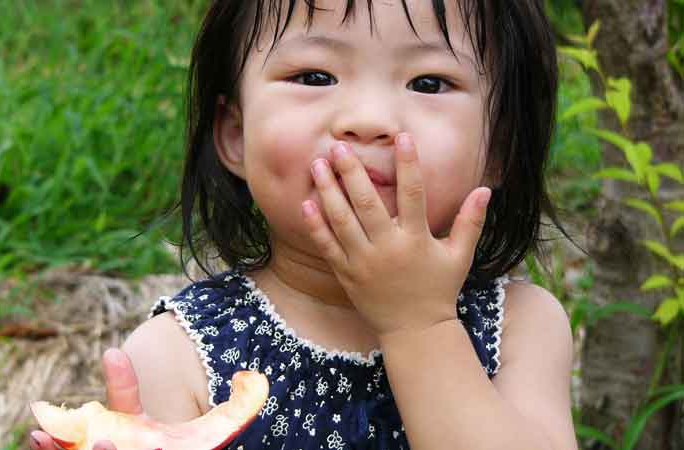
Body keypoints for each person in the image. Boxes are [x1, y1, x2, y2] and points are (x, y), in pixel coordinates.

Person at [31, 0, 580, 449]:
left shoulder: (523, 329)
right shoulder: (177, 357)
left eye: (429, 83)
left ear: (500, 147)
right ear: (235, 135)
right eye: (314, 76)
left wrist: (420, 324)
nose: (367, 120)